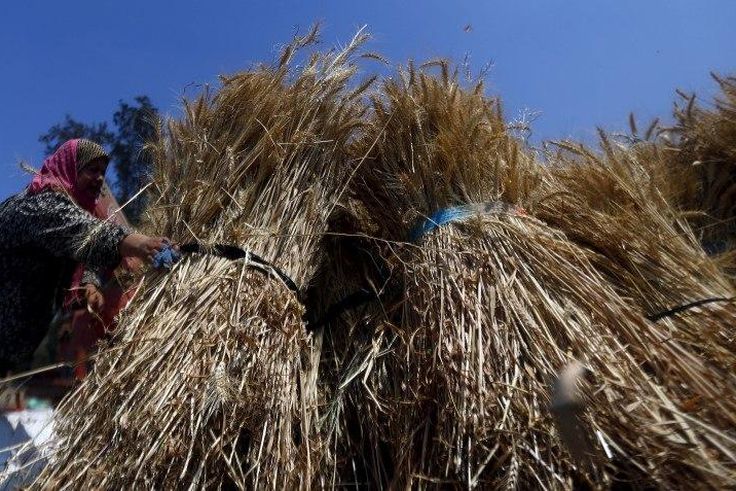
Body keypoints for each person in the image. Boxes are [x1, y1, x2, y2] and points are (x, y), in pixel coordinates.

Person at [0, 139, 170, 375]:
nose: (100, 178)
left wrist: (89, 283)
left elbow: (79, 250)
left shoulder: (69, 209)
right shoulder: (40, 206)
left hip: (12, 346)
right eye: (92, 170)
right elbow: (87, 233)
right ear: (70, 168)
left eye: (103, 172)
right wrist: (142, 244)